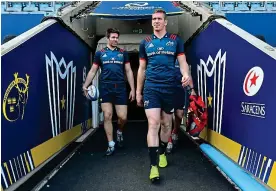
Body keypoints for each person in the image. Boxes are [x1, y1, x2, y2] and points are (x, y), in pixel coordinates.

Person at [136, 9, 191, 182]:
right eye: (154, 19)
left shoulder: (176, 41)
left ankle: (161, 151)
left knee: (166, 125)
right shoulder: (145, 42)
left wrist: (185, 75)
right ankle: (153, 167)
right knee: (153, 123)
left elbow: (183, 63)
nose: (156, 21)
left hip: (169, 87)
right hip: (151, 87)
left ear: (165, 22)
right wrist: (138, 91)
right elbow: (142, 69)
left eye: (159, 19)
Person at [83, 28, 135, 156]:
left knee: (123, 117)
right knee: (107, 115)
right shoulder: (100, 53)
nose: (115, 40)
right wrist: (85, 85)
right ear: (108, 38)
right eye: (113, 37)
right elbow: (93, 70)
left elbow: (128, 71)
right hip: (105, 87)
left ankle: (119, 131)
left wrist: (133, 89)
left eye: (117, 37)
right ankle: (111, 144)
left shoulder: (123, 53)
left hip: (120, 88)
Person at [166, 60, 196, 154]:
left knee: (179, 115)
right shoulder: (165, 57)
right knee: (167, 117)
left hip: (180, 90)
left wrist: (192, 89)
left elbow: (187, 73)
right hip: (167, 90)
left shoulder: (181, 59)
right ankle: (169, 140)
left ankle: (175, 132)